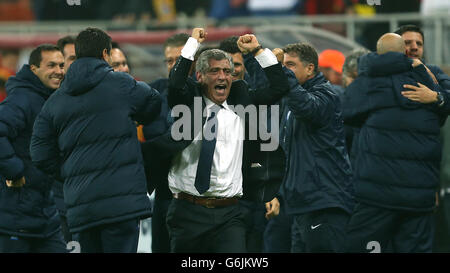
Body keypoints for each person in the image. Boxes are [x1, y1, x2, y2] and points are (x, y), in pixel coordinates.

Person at [148, 28, 289, 253]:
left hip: (229, 213)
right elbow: (175, 83)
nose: (222, 76)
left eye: (227, 71)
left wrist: (258, 51)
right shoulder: (186, 104)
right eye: (214, 71)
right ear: (200, 76)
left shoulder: (244, 106)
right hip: (187, 211)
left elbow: (280, 87)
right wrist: (192, 43)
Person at [29, 27, 162, 253]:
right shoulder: (122, 84)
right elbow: (153, 103)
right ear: (104, 54)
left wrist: (70, 173)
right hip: (122, 206)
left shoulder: (55, 101)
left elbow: (39, 152)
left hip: (82, 210)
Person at [343, 33, 450, 253]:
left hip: (376, 194)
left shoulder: (367, 82)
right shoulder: (428, 79)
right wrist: (438, 97)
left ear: (377, 52)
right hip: (419, 195)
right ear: (404, 52)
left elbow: (346, 113)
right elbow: (440, 117)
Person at [267, 42, 354, 253]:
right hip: (303, 203)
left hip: (324, 202)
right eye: (284, 65)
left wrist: (277, 69)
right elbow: (288, 152)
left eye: (291, 65)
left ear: (310, 68)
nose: (285, 70)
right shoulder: (291, 100)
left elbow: (306, 107)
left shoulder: (327, 95)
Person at [0, 44, 66, 253]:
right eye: (51, 65)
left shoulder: (51, 99)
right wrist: (15, 170)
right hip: (15, 216)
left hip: (45, 216)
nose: (59, 70)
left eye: (62, 65)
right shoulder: (22, 99)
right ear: (33, 69)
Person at [140, 32, 189, 253]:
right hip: (163, 193)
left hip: (196, 198)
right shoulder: (154, 92)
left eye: (179, 60)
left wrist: (143, 151)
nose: (173, 66)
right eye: (169, 61)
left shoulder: (209, 93)